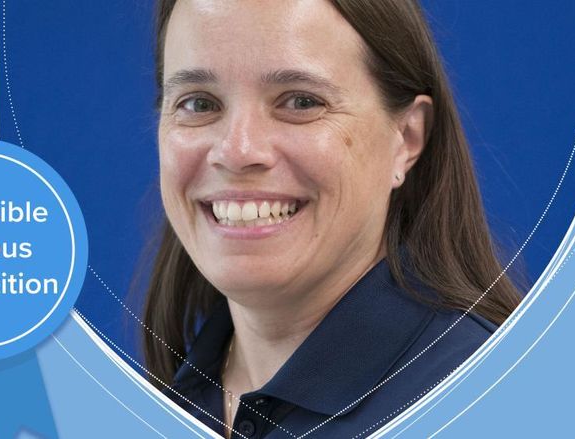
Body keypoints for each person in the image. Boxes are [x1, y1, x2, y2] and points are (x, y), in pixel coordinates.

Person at [141, 0, 523, 437]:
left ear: (407, 138)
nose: (237, 151)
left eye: (301, 101)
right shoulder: (162, 404)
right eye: (198, 103)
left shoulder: (486, 403)